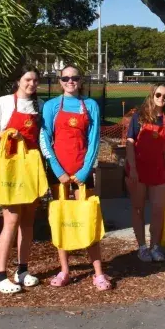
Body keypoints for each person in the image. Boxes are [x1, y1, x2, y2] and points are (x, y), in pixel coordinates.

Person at [39, 65, 111, 291]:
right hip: (58, 173)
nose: (70, 81)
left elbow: (94, 140)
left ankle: (98, 273)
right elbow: (45, 139)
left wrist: (84, 171)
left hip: (82, 173)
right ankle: (64, 270)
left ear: (81, 81)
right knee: (61, 220)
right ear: (60, 81)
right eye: (66, 78)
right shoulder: (51, 106)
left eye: (75, 78)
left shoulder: (90, 105)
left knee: (88, 217)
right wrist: (58, 170)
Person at [0, 65, 42, 293]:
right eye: (28, 79)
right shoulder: (4, 102)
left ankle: (22, 270)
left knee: (27, 223)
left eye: (35, 81)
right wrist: (10, 133)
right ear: (18, 81)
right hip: (11, 171)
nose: (32, 84)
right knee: (11, 221)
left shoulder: (41, 106)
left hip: (32, 169)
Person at [126, 83, 165, 262]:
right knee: (138, 209)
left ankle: (155, 246)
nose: (162, 99)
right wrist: (133, 169)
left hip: (159, 171)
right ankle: (142, 247)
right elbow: (130, 143)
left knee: (158, 209)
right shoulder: (139, 117)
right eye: (159, 95)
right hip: (139, 170)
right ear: (152, 95)